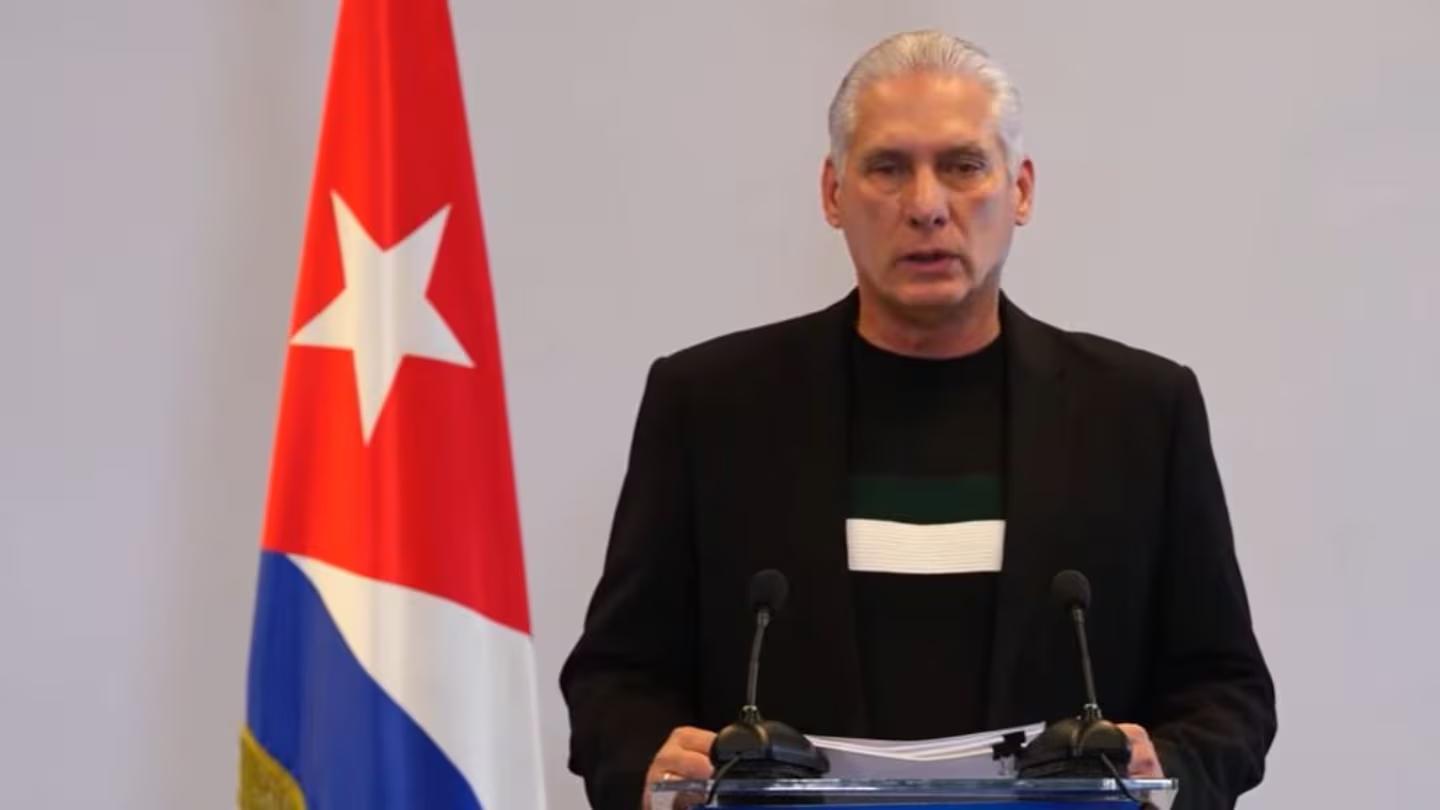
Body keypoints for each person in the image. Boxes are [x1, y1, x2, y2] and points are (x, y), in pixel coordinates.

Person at [560, 30, 1275, 810]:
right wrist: (650, 766)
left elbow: (1225, 689)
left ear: (1021, 191)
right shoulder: (709, 405)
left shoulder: (1141, 411)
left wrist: (1167, 769)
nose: (927, 207)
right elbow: (617, 678)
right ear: (834, 194)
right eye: (888, 168)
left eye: (963, 166)